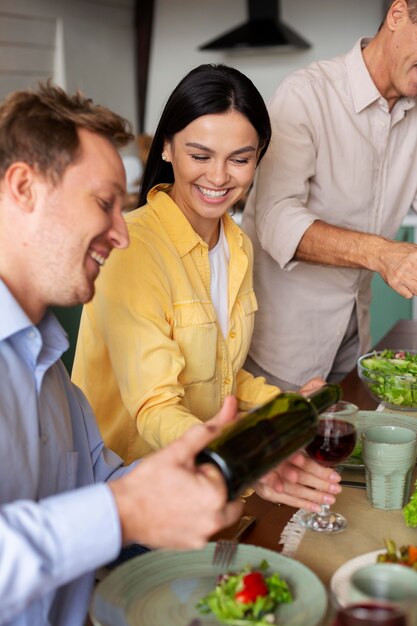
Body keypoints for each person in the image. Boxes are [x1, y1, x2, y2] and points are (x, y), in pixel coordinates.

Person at [0, 82, 340, 626]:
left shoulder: (47, 360)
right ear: (22, 188)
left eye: (240, 158)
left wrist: (243, 459)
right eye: (104, 203)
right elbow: (127, 473)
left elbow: (101, 478)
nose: (121, 232)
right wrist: (126, 511)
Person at [72, 63, 325, 464]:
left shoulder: (237, 244)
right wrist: (235, 454)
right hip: (131, 489)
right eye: (200, 155)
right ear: (167, 148)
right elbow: (154, 407)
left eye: (240, 160)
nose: (219, 177)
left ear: (259, 157)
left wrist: (284, 407)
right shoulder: (131, 248)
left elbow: (216, 375)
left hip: (205, 480)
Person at [242, 0, 417, 391]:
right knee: (286, 452)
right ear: (397, 14)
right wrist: (383, 254)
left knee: (344, 449)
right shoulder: (307, 95)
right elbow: (275, 220)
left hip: (355, 339)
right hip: (284, 349)